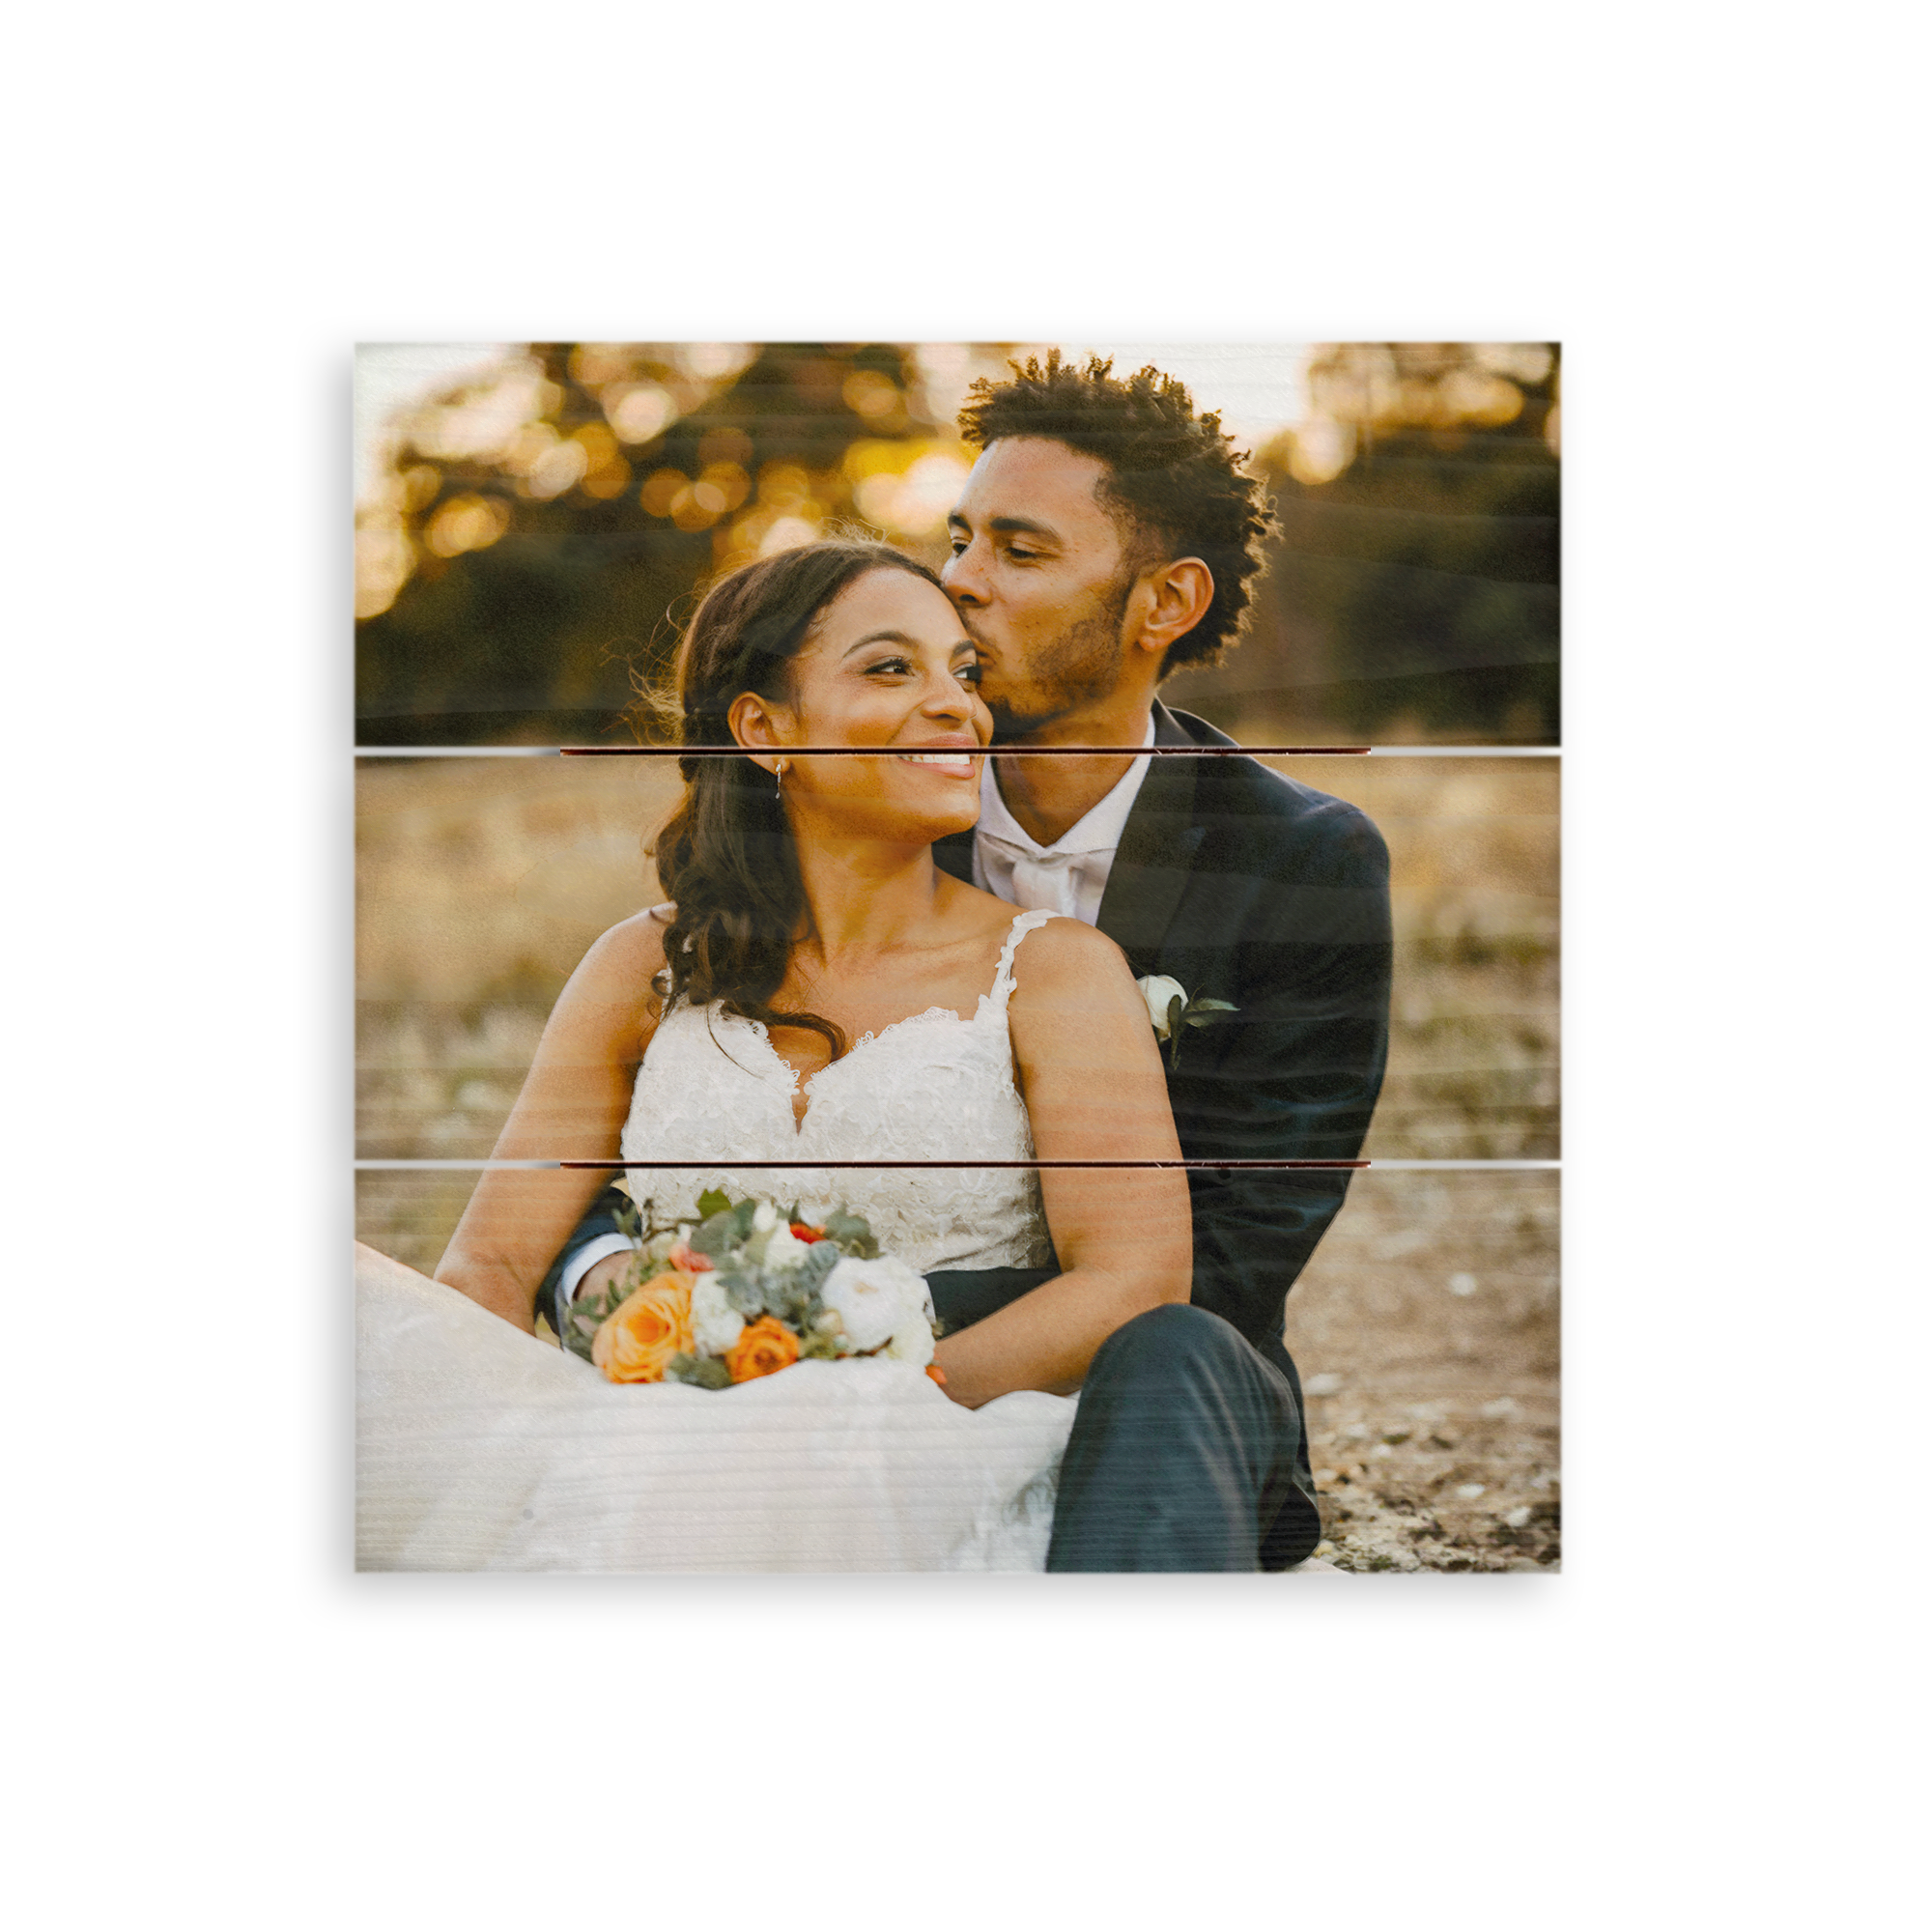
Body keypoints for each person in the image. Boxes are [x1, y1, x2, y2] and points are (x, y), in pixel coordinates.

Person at [541, 350, 1394, 1571]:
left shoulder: (1297, 858)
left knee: (1170, 1342)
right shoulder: (863, 796)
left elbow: (1235, 1246)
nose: (959, 581)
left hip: (1143, 1388)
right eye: (959, 538)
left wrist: (835, 1326)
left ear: (1164, 601)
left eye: (1019, 551)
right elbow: (656, 1112)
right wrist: (667, 1298)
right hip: (751, 1369)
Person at [355, 538, 1196, 1574]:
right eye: (891, 668)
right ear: (762, 728)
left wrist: (862, 1413)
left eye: (964, 672)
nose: (958, 707)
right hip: (656, 1455)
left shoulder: (1054, 970)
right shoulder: (641, 966)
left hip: (946, 1453)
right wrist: (529, 1453)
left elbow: (1132, 1279)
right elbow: (488, 1264)